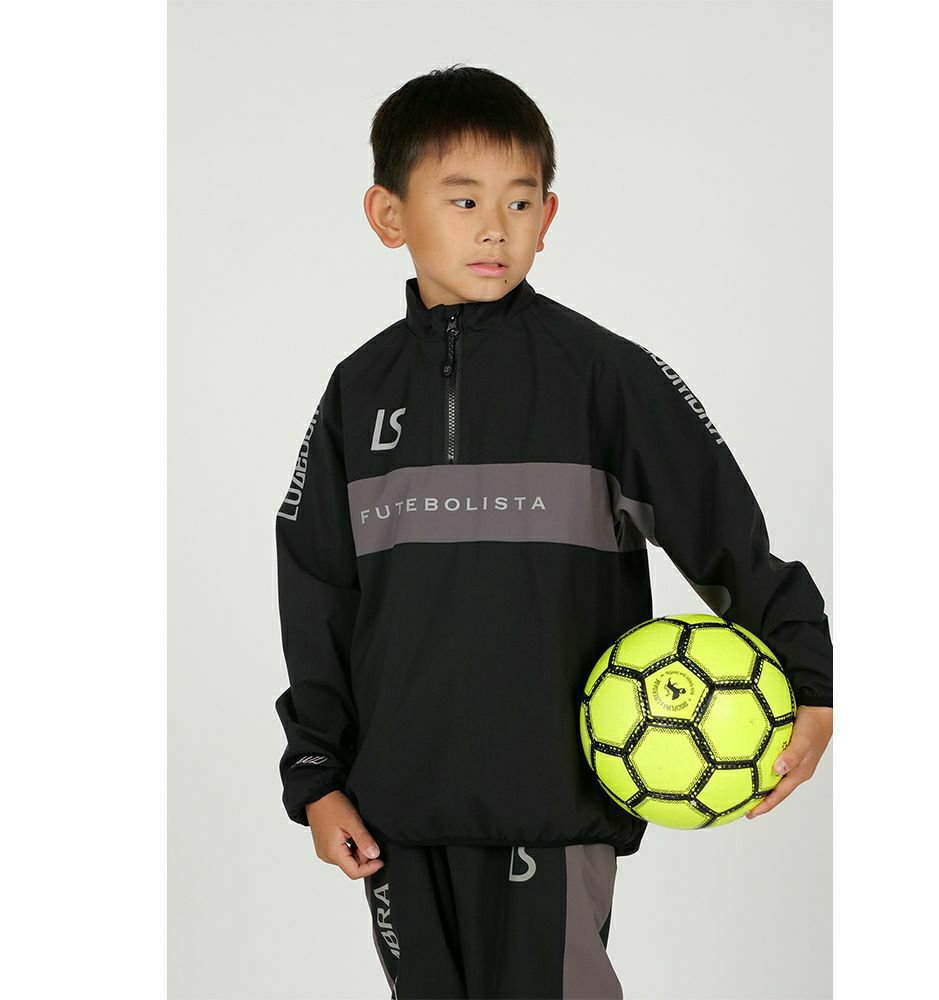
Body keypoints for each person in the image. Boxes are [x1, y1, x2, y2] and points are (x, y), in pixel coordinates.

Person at [274, 64, 833, 1000]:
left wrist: (810, 678)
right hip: (400, 808)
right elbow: (317, 593)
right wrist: (317, 774)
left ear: (550, 215)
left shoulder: (604, 376)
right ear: (388, 215)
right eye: (463, 200)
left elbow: (727, 536)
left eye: (521, 201)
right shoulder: (356, 392)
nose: (496, 227)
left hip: (553, 799)